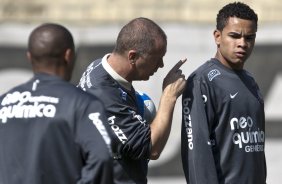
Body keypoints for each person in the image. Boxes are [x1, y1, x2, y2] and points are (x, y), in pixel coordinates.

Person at [0, 23, 113, 184]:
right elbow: (102, 157)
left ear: (29, 57)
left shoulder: (4, 102)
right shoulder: (82, 104)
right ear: (68, 55)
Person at [77, 17, 186, 184]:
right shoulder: (104, 95)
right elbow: (152, 148)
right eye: (157, 58)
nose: (161, 65)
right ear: (133, 56)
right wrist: (169, 96)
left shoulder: (100, 65)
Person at [181, 2, 266, 184]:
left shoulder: (251, 82)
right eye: (234, 36)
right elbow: (197, 152)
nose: (242, 43)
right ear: (217, 36)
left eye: (249, 38)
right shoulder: (201, 81)